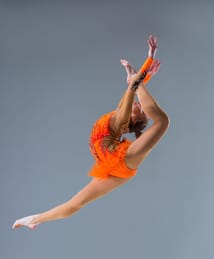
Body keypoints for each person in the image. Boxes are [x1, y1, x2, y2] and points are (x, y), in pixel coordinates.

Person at [12, 35, 170, 230]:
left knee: (163, 121)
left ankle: (35, 219)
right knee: (75, 204)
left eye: (141, 111)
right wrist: (149, 59)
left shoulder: (121, 119)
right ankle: (33, 219)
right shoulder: (120, 112)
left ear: (133, 119)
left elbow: (133, 88)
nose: (140, 106)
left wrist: (139, 74)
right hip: (109, 162)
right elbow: (132, 88)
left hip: (120, 159)